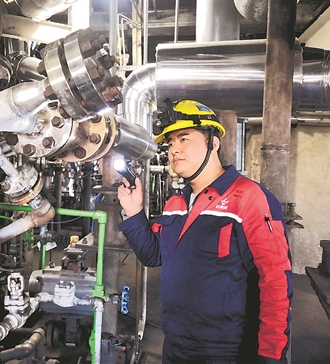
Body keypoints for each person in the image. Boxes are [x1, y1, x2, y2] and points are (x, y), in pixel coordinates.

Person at [117, 100, 292, 364]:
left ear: (213, 143)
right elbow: (153, 255)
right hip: (175, 344)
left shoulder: (248, 198)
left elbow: (275, 279)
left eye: (184, 138)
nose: (174, 149)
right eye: (170, 143)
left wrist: (271, 355)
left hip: (226, 351)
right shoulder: (176, 204)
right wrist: (133, 211)